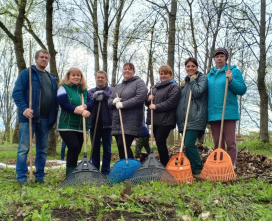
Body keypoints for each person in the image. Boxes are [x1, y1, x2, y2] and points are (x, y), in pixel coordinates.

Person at [12, 49, 58, 185]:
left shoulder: (51, 78)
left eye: (46, 58)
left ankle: (39, 176)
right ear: (36, 59)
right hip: (29, 117)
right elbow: (17, 93)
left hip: (45, 119)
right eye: (42, 57)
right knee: (24, 149)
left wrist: (53, 118)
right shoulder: (27, 73)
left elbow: (54, 100)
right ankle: (21, 177)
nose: (44, 59)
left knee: (42, 150)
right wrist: (24, 108)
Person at [207, 48, 247, 168]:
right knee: (217, 142)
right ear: (214, 59)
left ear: (226, 58)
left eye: (222, 56)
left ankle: (230, 165)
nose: (219, 58)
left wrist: (231, 80)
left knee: (230, 141)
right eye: (217, 56)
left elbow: (242, 89)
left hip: (228, 112)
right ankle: (220, 165)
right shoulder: (209, 75)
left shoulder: (233, 71)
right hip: (214, 113)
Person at [57, 67, 93, 176]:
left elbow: (92, 104)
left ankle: (73, 173)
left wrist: (84, 106)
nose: (76, 77)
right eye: (73, 75)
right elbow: (63, 104)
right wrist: (79, 111)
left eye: (78, 75)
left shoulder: (84, 90)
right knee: (73, 146)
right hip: (66, 125)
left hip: (81, 126)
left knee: (76, 150)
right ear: (68, 76)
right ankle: (69, 176)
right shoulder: (63, 88)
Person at [108, 63, 148, 160]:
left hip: (131, 121)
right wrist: (113, 102)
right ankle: (124, 168)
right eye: (125, 69)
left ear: (133, 72)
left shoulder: (139, 82)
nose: (127, 70)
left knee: (123, 145)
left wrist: (123, 104)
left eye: (130, 69)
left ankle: (131, 168)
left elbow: (141, 97)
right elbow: (109, 101)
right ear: (122, 71)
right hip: (117, 121)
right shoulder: (118, 86)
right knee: (120, 147)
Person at [176, 57, 208, 175]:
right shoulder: (184, 82)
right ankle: (190, 168)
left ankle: (198, 168)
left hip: (196, 116)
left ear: (197, 67)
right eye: (188, 66)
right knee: (187, 145)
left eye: (192, 66)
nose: (190, 68)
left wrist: (193, 80)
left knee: (189, 143)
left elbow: (198, 92)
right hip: (184, 119)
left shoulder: (202, 78)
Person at [146, 65, 180, 167]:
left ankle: (165, 164)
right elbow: (147, 104)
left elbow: (171, 103)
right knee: (159, 142)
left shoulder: (174, 87)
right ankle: (163, 162)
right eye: (161, 74)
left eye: (166, 74)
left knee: (160, 140)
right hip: (155, 119)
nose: (163, 76)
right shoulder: (154, 87)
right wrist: (148, 99)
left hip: (166, 119)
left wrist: (156, 106)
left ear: (171, 75)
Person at [88, 71, 113, 175]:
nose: (100, 79)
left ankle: (106, 170)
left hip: (108, 124)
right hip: (94, 124)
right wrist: (94, 98)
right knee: (95, 148)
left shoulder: (112, 90)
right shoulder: (90, 91)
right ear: (95, 78)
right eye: (98, 77)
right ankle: (95, 170)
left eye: (102, 77)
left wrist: (105, 95)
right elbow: (88, 104)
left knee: (107, 149)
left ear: (106, 79)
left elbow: (113, 101)